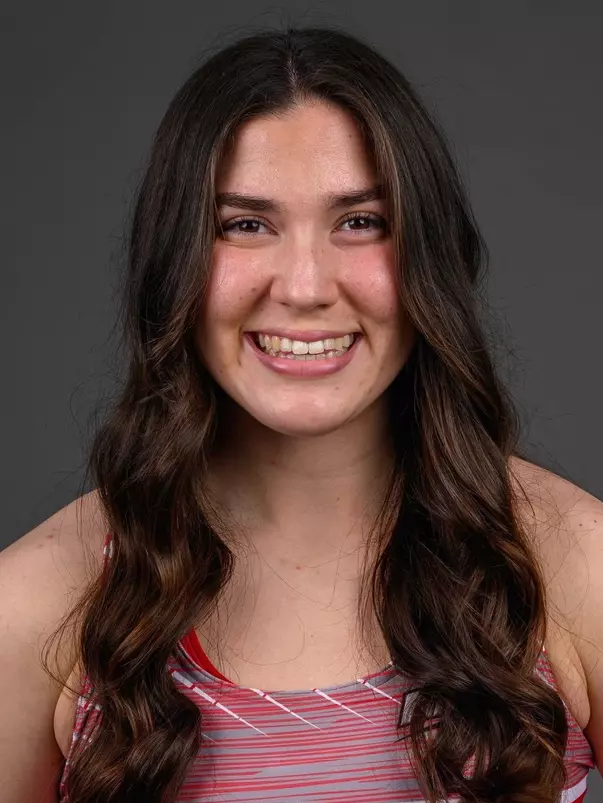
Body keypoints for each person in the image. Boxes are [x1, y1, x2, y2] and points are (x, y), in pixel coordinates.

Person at [1, 24, 601, 803]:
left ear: (426, 254)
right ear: (174, 260)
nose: (306, 284)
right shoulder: (37, 604)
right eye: (244, 224)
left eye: (360, 221)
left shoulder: (572, 563)